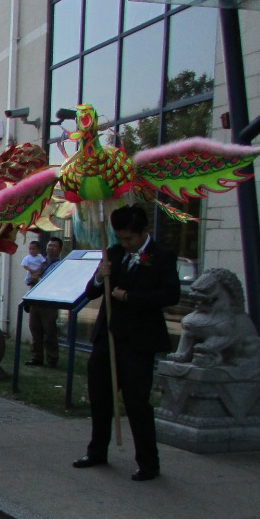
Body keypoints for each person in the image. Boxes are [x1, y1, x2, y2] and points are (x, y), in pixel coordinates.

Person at [72, 205, 179, 482]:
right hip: (107, 337)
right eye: (120, 238)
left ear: (143, 232)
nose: (125, 243)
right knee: (100, 398)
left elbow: (170, 294)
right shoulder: (115, 254)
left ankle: (148, 462)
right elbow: (91, 291)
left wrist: (130, 296)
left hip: (139, 341)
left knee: (136, 403)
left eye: (129, 238)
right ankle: (96, 451)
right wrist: (99, 276)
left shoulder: (162, 256)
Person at [26, 236, 64, 367]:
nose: (51, 248)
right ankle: (37, 356)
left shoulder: (60, 265)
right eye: (49, 245)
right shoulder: (38, 261)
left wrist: (39, 280)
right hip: (35, 300)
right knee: (35, 329)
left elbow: (54, 282)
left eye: (54, 246)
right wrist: (31, 279)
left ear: (59, 250)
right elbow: (28, 279)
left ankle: (52, 358)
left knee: (49, 331)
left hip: (49, 301)